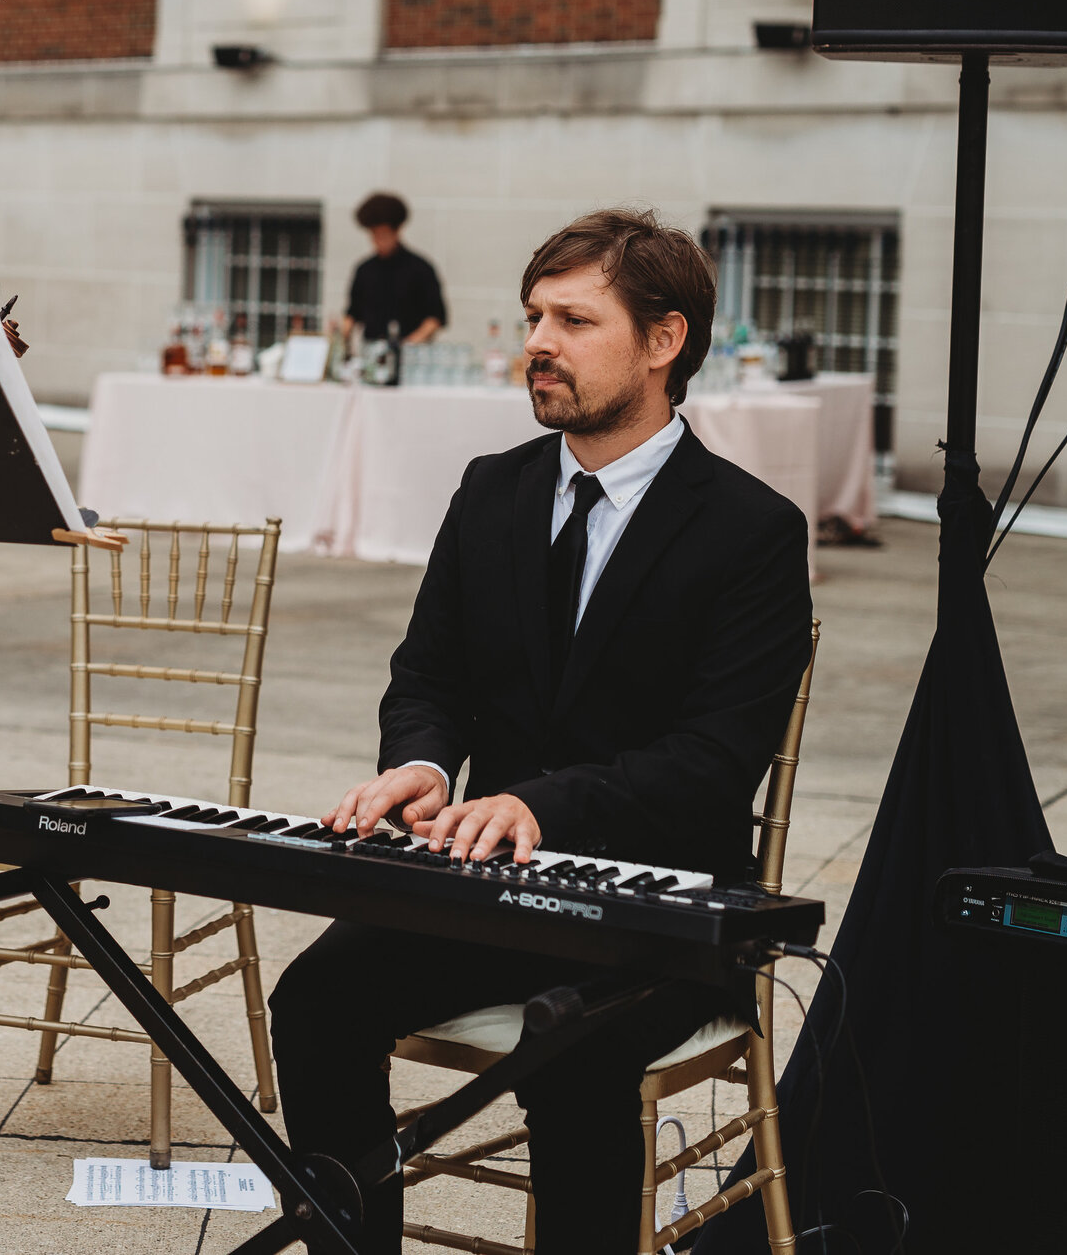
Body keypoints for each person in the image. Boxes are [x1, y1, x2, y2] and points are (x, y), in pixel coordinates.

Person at [271, 208, 814, 1254]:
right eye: (532, 316)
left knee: (571, 1048)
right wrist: (422, 765)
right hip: (483, 889)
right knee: (316, 998)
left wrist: (531, 803)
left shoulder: (751, 530)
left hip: (659, 915)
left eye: (573, 318)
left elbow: (711, 762)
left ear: (664, 342)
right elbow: (427, 676)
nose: (537, 343)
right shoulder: (492, 492)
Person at [339, 191, 447, 349]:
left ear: (397, 231)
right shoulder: (364, 270)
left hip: (410, 356)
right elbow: (353, 313)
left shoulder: (421, 268)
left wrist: (409, 344)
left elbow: (435, 318)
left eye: (383, 234)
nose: (378, 241)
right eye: (374, 235)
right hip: (372, 355)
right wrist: (341, 337)